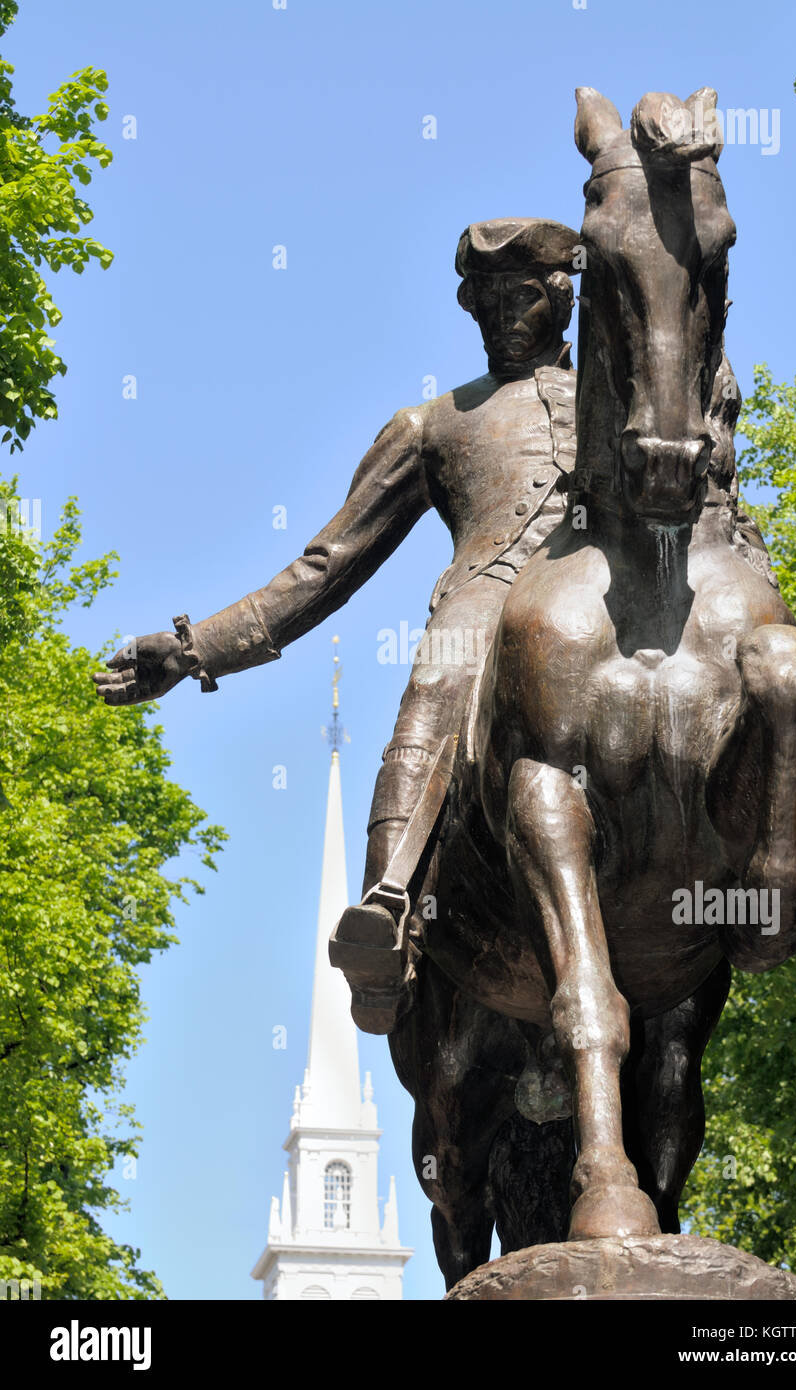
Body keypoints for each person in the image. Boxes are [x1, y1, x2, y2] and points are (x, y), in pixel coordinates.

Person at [93, 217, 583, 1032]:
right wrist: (192, 648)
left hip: (605, 604)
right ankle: (387, 909)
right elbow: (327, 565)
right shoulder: (430, 426)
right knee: (436, 682)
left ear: (563, 298)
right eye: (484, 302)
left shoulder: (628, 404)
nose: (502, 316)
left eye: (522, 296)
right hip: (486, 600)